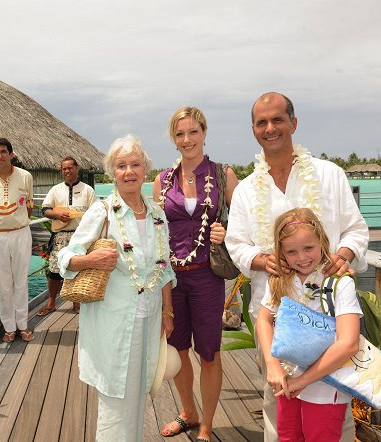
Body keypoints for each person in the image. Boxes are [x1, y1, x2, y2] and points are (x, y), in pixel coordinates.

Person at [225, 92, 369, 441]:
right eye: (262, 122)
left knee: (335, 399)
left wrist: (344, 254)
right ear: (253, 129)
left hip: (332, 311)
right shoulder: (246, 190)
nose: (270, 128)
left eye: (277, 119)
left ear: (294, 122)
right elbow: (235, 245)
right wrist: (260, 259)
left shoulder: (329, 174)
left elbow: (356, 230)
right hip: (273, 315)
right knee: (279, 398)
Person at [58, 134, 176, 441]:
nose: (129, 171)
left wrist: (168, 313)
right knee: (114, 399)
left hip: (148, 321)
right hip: (113, 321)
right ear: (113, 173)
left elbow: (163, 270)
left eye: (135, 164)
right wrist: (92, 260)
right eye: (121, 165)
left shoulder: (157, 215)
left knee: (137, 395)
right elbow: (65, 257)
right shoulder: (103, 211)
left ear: (145, 170)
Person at [152, 106, 238, 442]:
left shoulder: (222, 175)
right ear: (173, 139)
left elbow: (248, 221)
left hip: (207, 277)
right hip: (172, 280)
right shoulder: (163, 180)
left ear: (204, 133)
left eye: (193, 132)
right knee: (177, 349)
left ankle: (207, 425)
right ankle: (188, 411)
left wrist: (226, 231)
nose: (187, 139)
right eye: (180, 134)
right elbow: (153, 227)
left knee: (209, 352)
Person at [255, 207, 362, 441]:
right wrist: (272, 365)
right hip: (287, 380)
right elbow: (263, 319)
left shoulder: (339, 283)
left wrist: (303, 381)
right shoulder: (280, 280)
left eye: (309, 248)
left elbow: (349, 343)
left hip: (326, 386)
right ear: (280, 251)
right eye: (291, 252)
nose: (302, 258)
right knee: (287, 436)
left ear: (322, 241)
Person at [0, 137, 35, 344]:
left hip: (21, 233)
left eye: (3, 152)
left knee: (21, 281)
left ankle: (23, 326)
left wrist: (17, 219)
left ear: (11, 154)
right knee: (4, 284)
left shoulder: (25, 176)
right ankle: (10, 328)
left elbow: (29, 206)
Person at [39, 156, 96, 316]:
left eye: (70, 168)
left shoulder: (87, 190)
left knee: (78, 270)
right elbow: (44, 210)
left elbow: (95, 213)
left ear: (77, 168)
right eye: (64, 168)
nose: (67, 171)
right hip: (60, 236)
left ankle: (76, 303)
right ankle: (51, 302)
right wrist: (57, 215)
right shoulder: (55, 190)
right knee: (54, 272)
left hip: (81, 236)